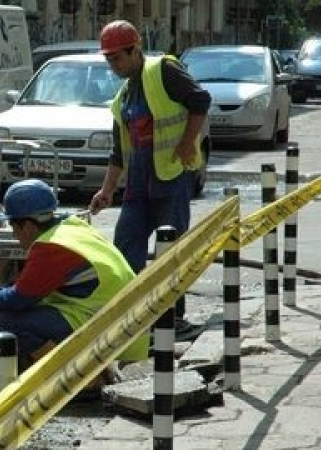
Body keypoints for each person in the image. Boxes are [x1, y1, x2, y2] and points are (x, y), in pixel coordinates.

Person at [88, 20, 210, 340]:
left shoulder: (163, 71)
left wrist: (187, 142)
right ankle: (132, 317)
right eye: (109, 59)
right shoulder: (123, 98)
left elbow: (200, 100)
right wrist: (106, 190)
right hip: (138, 186)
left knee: (171, 253)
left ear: (135, 50)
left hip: (171, 178)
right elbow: (119, 152)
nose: (113, 65)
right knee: (126, 247)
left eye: (117, 58)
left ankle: (173, 320)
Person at [0, 179, 149, 366]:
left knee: (10, 321)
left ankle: (81, 380)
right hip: (126, 325)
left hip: (117, 336)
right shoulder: (72, 227)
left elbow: (17, 299)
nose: (14, 234)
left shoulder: (52, 247)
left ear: (27, 225)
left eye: (13, 226)